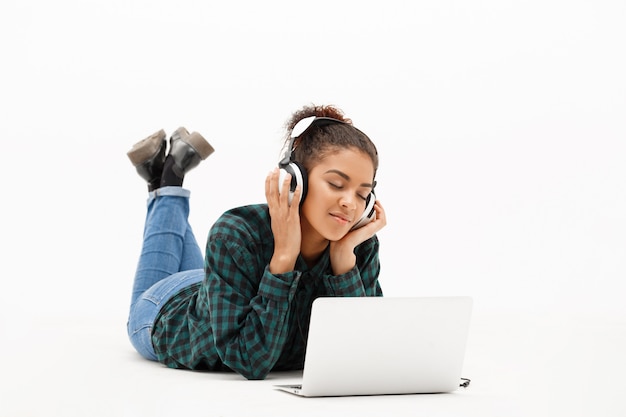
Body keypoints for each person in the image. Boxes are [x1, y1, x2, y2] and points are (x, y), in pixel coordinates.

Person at [126, 104, 387, 380]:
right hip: (163, 313)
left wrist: (344, 261)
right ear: (296, 181)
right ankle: (168, 179)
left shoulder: (358, 247)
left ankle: (161, 176)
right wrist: (284, 258)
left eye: (362, 194)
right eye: (336, 184)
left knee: (201, 283)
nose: (350, 203)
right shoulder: (237, 233)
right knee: (135, 313)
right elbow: (249, 360)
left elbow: (361, 353)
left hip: (212, 288)